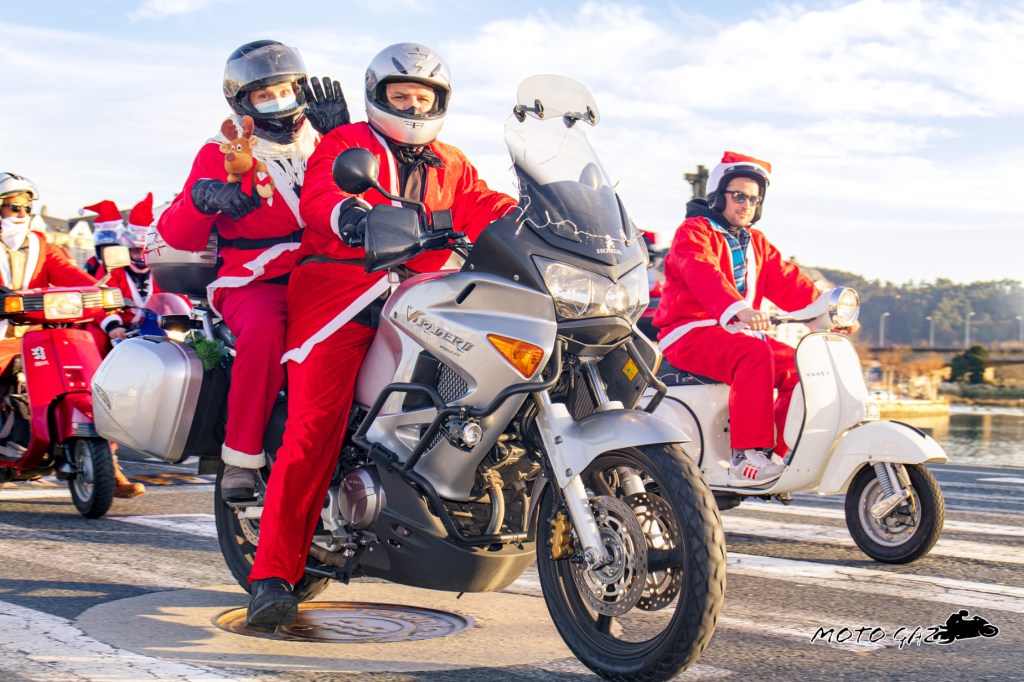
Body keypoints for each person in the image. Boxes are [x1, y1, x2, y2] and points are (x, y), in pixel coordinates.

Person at [245, 42, 516, 631]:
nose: (413, 105)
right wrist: (351, 216)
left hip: (425, 297)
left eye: (423, 96)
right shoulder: (349, 144)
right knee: (314, 427)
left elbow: (484, 205)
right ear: (378, 96)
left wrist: (534, 220)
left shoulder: (452, 162)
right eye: (401, 94)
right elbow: (323, 195)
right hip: (345, 294)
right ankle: (272, 576)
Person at [157, 40, 350, 502]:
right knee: (264, 332)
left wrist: (346, 137)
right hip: (254, 279)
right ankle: (240, 459)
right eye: (265, 95)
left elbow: (372, 195)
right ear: (242, 102)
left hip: (331, 269)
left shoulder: (326, 138)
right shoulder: (222, 150)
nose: (279, 101)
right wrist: (203, 199)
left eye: (286, 90)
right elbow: (177, 234)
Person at [652, 151, 819, 486]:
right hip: (689, 332)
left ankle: (780, 454)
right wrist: (738, 308)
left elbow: (788, 280)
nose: (747, 205)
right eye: (739, 196)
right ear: (718, 195)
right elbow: (702, 271)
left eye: (754, 200)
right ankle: (746, 455)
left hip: (736, 333)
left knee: (800, 365)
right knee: (754, 353)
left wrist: (826, 310)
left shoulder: (757, 242)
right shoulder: (694, 231)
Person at [0, 174, 144, 497]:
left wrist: (101, 291)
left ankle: (109, 467)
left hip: (37, 335)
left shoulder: (40, 244)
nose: (21, 213)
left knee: (87, 382)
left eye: (26, 207)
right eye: (13, 207)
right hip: (4, 337)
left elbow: (71, 274)